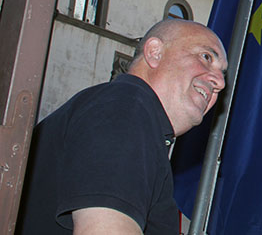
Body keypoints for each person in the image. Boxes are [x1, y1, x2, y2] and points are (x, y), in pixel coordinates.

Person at [16, 19, 227, 235]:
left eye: (222, 73)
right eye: (206, 57)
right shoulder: (128, 107)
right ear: (154, 52)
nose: (220, 82)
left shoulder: (135, 119)